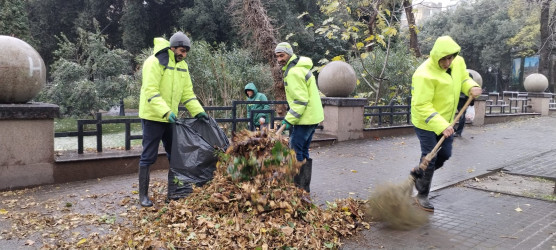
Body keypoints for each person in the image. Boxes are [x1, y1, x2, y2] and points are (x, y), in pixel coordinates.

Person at [409, 36, 482, 212]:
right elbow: (422, 105)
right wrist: (441, 125)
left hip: (447, 121)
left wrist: (471, 87)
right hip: (425, 121)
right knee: (430, 156)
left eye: (451, 58)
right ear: (436, 56)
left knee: (445, 155)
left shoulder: (458, 63)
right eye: (444, 59)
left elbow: (463, 79)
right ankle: (422, 195)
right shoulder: (423, 74)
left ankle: (420, 172)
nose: (448, 62)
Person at [138, 31, 208, 207]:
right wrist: (166, 112)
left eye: (185, 52)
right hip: (153, 117)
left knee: (175, 156)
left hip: (170, 119)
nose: (183, 55)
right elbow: (150, 91)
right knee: (148, 156)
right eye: (181, 50)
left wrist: (198, 111)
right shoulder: (154, 63)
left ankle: (175, 192)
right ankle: (143, 196)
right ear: (172, 47)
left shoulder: (183, 66)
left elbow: (188, 94)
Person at [275, 42, 324, 192]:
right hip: (313, 117)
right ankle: (304, 188)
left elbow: (300, 101)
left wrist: (286, 122)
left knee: (295, 151)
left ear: (289, 54)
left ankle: (298, 189)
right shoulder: (300, 67)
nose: (279, 59)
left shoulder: (294, 72)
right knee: (303, 150)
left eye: (282, 55)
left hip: (305, 118)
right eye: (277, 56)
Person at [454, 73, 476, 137]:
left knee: (462, 116)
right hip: (461, 99)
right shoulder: (469, 82)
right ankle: (457, 131)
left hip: (461, 99)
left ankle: (458, 132)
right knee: (461, 116)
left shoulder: (463, 80)